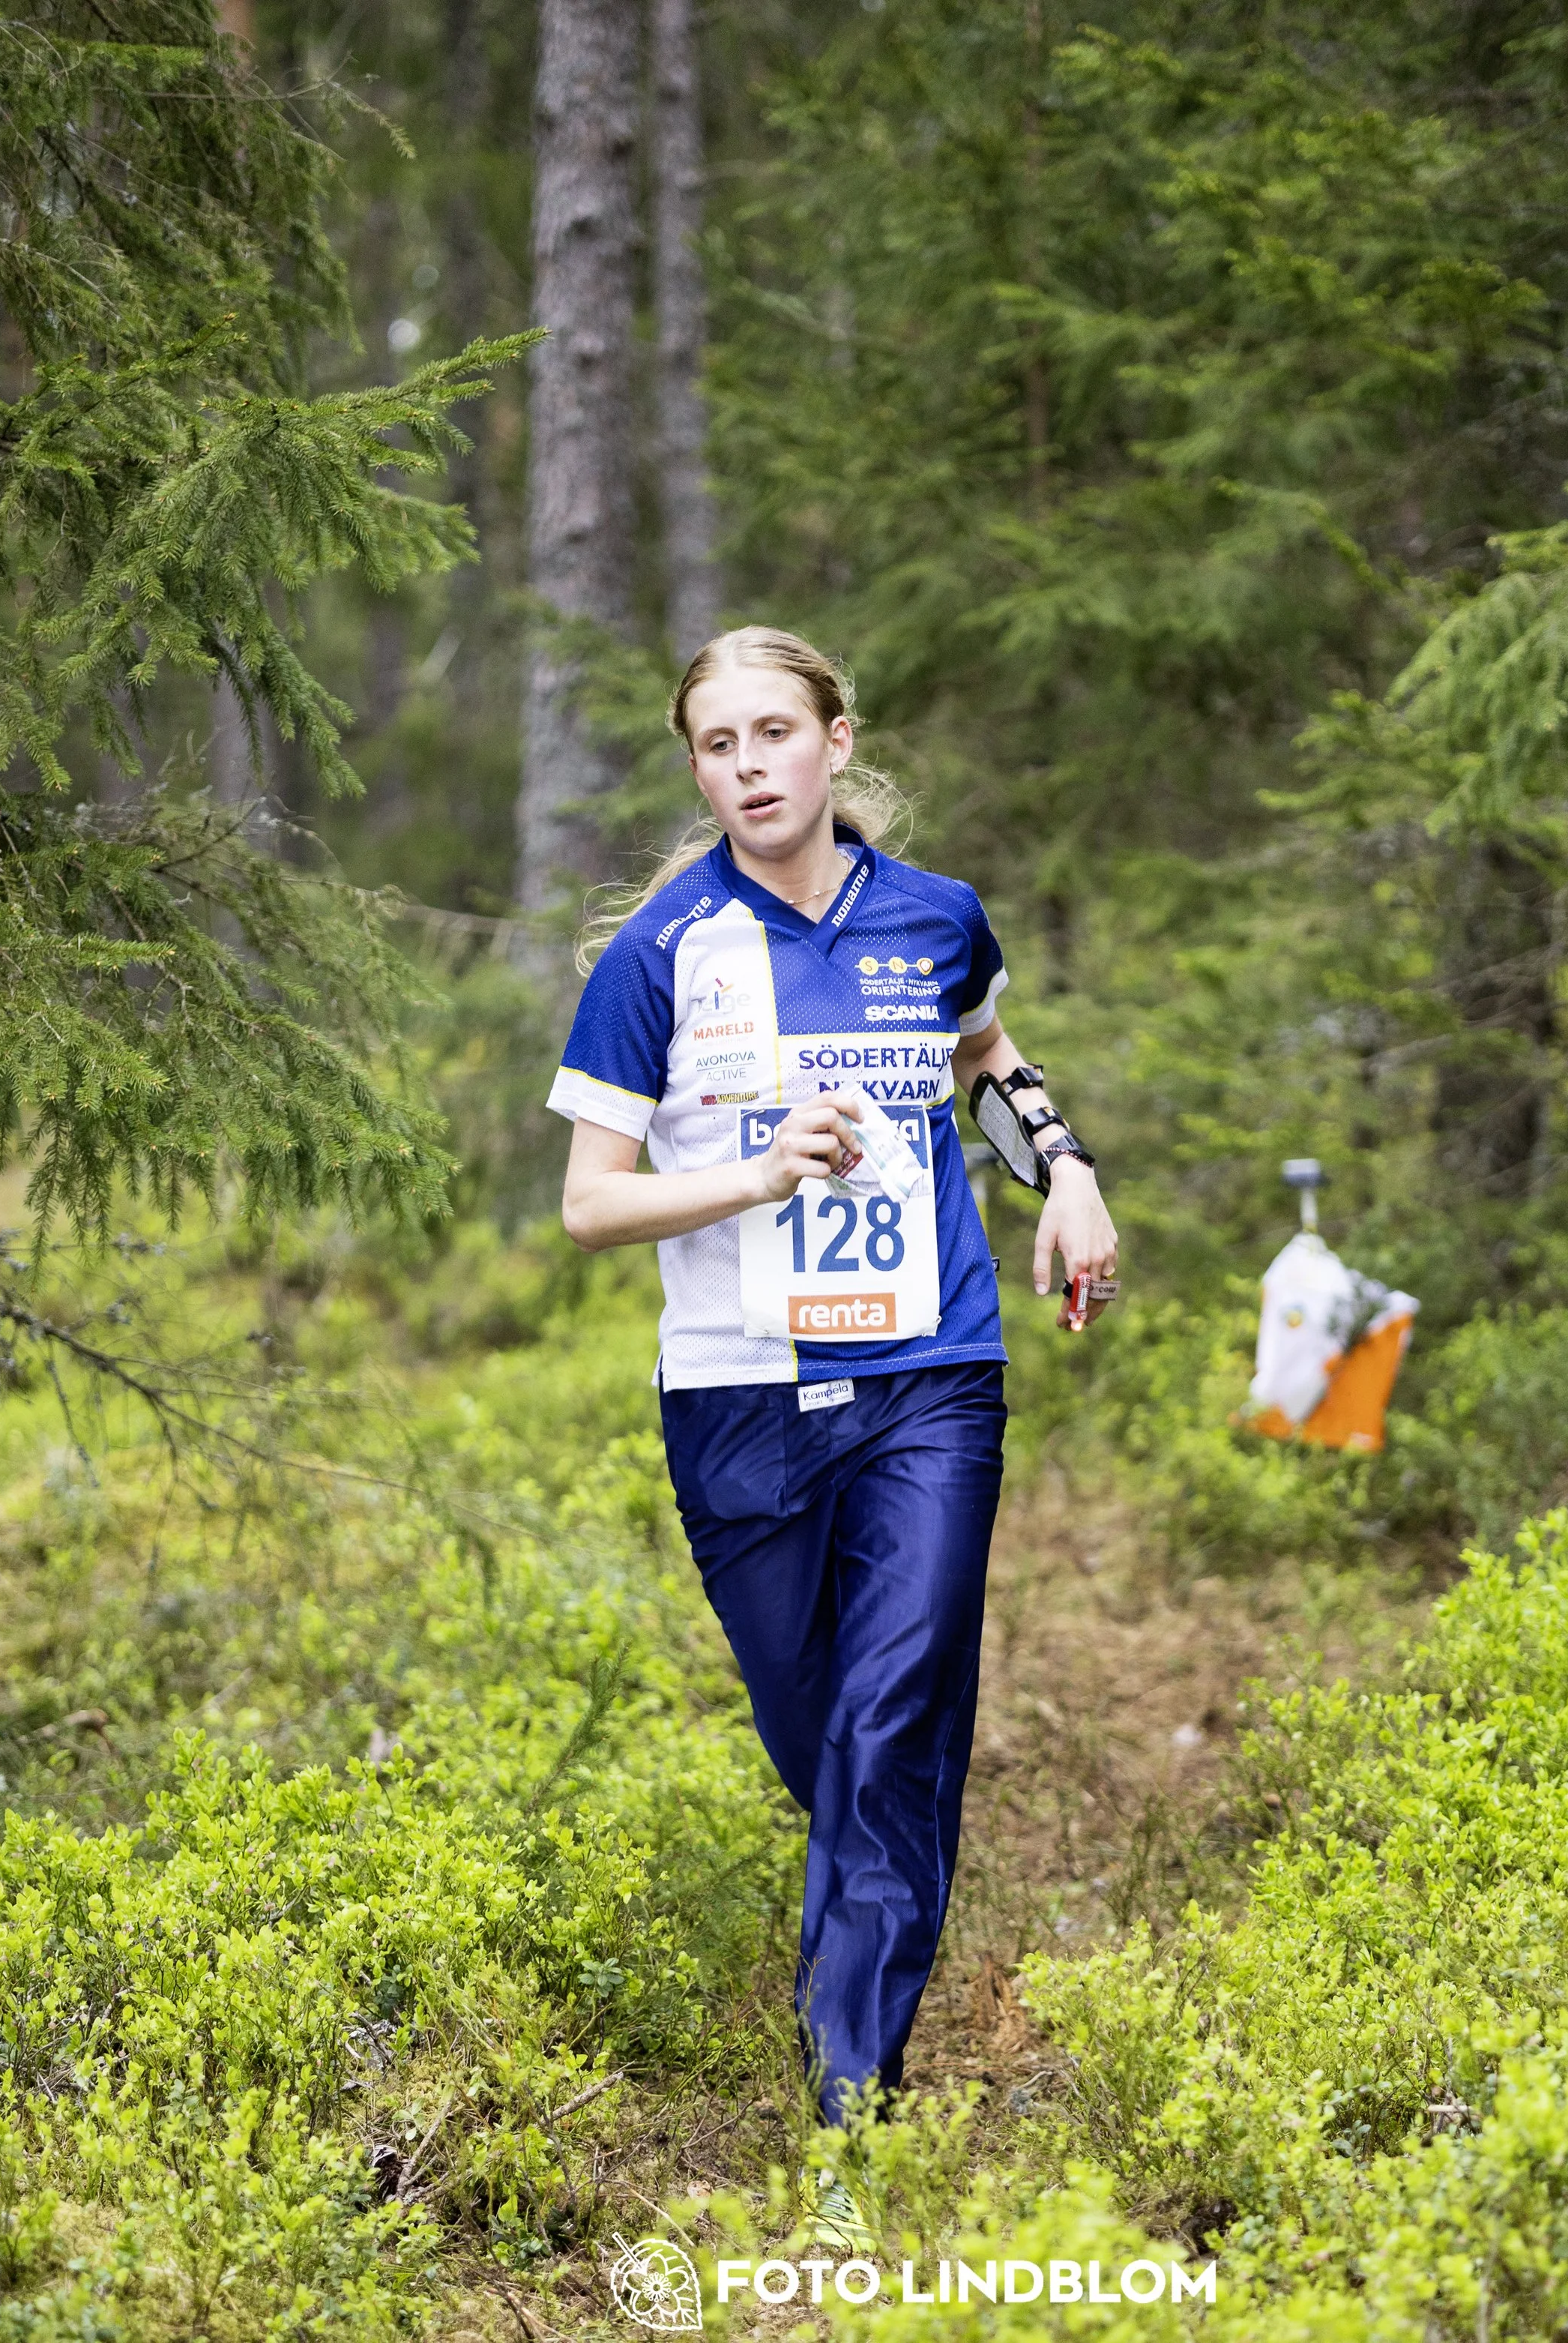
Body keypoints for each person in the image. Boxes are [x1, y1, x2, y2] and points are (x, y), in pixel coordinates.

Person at [549, 625, 1118, 2240]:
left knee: (889, 1709)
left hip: (931, 1372)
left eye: (774, 731)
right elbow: (592, 1207)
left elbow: (989, 1061)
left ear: (832, 741)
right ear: (697, 767)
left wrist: (1063, 1170)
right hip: (735, 1394)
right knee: (832, 1737)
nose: (749, 763)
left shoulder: (935, 917)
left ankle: (853, 2110)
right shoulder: (658, 954)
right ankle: (872, 1938)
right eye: (717, 741)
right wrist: (750, 1170)